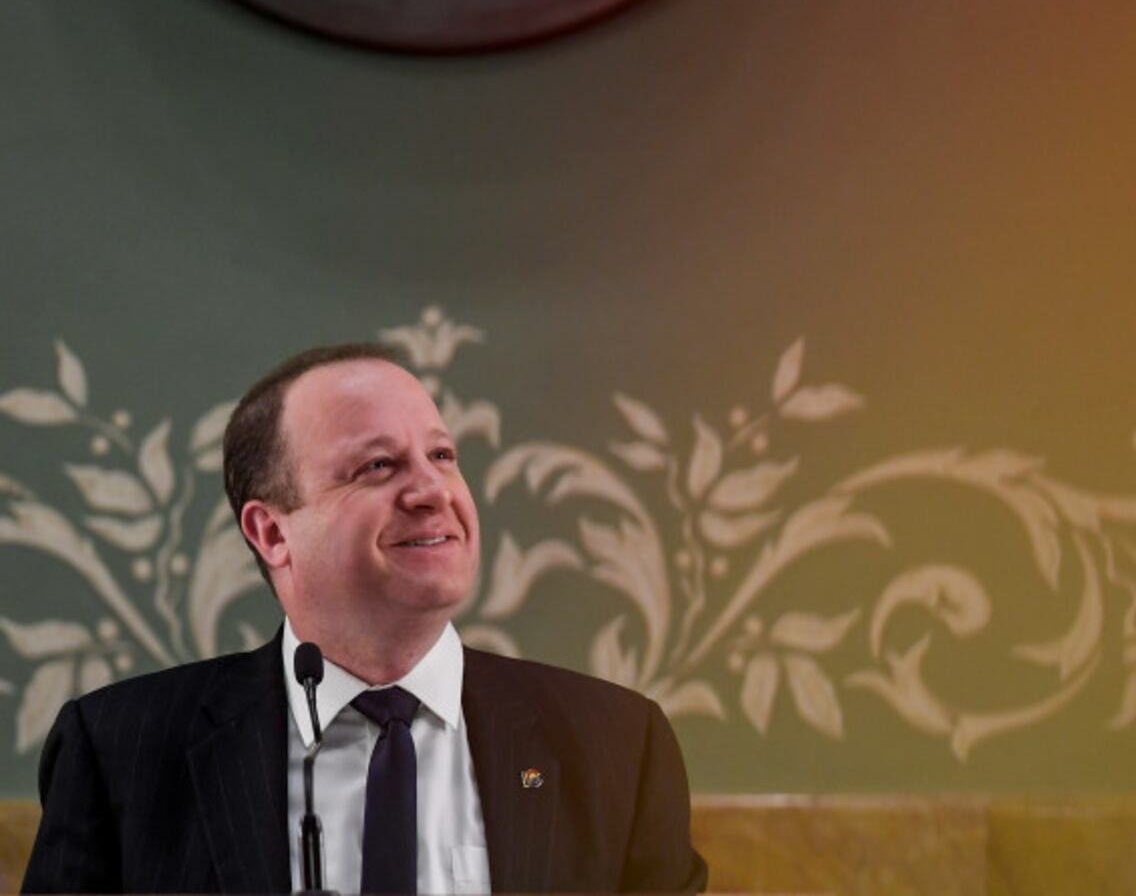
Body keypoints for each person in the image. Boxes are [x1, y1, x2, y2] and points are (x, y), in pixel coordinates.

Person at [22, 344, 708, 894]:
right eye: (378, 466)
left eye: (442, 456)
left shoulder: (617, 743)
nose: (432, 490)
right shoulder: (119, 752)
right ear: (271, 533)